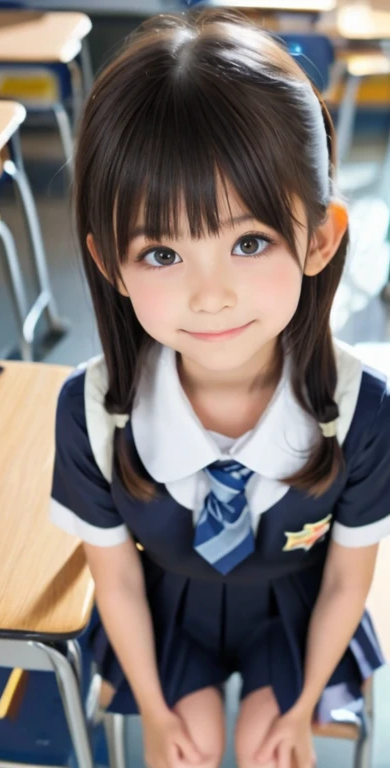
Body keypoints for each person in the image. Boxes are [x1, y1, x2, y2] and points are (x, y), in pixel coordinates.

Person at [50, 10, 390, 768]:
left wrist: (302, 709)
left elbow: (346, 577)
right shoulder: (91, 409)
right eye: (163, 251)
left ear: (319, 239)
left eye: (248, 241)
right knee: (192, 750)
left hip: (294, 615)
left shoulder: (365, 410)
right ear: (110, 264)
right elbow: (119, 583)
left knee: (269, 750)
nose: (211, 296)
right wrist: (160, 716)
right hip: (170, 611)